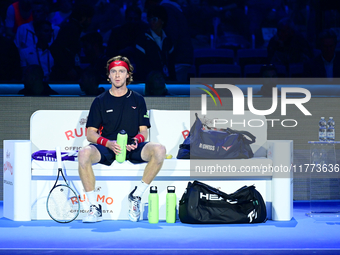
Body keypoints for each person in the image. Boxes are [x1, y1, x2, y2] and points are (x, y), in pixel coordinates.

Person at [78, 55, 166, 223]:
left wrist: (136, 141)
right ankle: (94, 207)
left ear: (128, 75)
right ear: (108, 75)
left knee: (159, 150)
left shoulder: (138, 99)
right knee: (83, 154)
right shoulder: (100, 101)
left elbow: (143, 132)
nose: (117, 75)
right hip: (108, 146)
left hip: (133, 146)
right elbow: (90, 133)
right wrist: (109, 144)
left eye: (121, 71)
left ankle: (136, 196)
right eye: (113, 71)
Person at [49, 3, 94, 82]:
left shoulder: (73, 28)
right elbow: (55, 48)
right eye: (90, 19)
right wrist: (69, 69)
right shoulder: (71, 29)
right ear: (83, 18)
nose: (90, 22)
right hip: (62, 76)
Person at [134, 5, 176, 82]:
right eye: (149, 19)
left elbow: (171, 64)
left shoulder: (168, 39)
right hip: (149, 83)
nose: (151, 22)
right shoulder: (142, 40)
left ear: (162, 21)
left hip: (166, 80)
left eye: (154, 19)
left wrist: (173, 81)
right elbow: (140, 66)